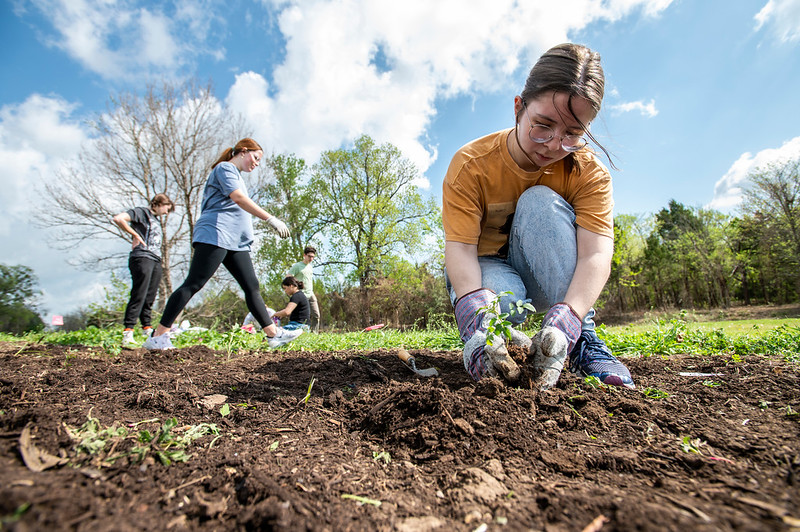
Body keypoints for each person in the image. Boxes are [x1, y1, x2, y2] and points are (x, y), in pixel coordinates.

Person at [442, 43, 634, 389]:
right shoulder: (471, 166)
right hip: (484, 269)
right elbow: (460, 250)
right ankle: (499, 342)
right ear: (519, 108)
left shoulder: (588, 172)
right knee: (505, 296)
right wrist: (477, 321)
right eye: (542, 126)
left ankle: (581, 344)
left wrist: (571, 319)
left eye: (572, 134)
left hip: (548, 273)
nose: (553, 145)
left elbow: (596, 253)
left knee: (540, 204)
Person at [143, 138, 302, 350]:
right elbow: (238, 198)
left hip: (235, 242)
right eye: (255, 158)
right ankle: (158, 336)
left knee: (251, 286)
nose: (256, 164)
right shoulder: (225, 168)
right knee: (194, 283)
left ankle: (273, 334)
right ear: (243, 151)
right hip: (216, 234)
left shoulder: (236, 175)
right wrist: (270, 219)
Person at [112, 193, 175, 346]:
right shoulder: (141, 212)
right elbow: (118, 218)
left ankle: (147, 328)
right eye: (167, 208)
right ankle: (128, 331)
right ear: (159, 204)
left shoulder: (156, 220)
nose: (167, 213)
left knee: (150, 296)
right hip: (142, 257)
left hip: (155, 259)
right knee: (139, 294)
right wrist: (134, 234)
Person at [287, 246, 320, 332]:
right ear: (304, 255)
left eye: (313, 257)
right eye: (309, 256)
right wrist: (293, 290)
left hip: (310, 293)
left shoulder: (310, 267)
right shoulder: (297, 266)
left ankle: (314, 334)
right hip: (301, 295)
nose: (311, 259)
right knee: (298, 316)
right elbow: (288, 277)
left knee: (316, 315)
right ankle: (293, 331)